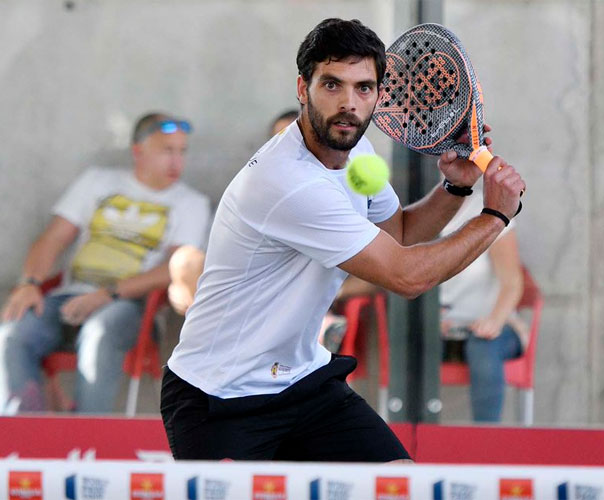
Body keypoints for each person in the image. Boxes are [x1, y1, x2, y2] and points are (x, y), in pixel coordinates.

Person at [160, 18, 525, 462]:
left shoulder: (357, 153)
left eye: (364, 87)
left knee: (401, 484)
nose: (348, 104)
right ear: (303, 87)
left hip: (302, 381)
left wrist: (456, 189)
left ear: (379, 93)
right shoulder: (288, 183)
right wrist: (495, 215)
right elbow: (406, 277)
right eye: (332, 84)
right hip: (220, 396)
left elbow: (399, 238)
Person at [0, 112, 211, 414]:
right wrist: (29, 283)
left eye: (182, 151)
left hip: (131, 306)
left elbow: (173, 269)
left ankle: (85, 440)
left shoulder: (191, 203)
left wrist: (108, 294)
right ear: (138, 152)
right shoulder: (97, 182)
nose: (177, 161)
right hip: (67, 297)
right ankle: (22, 433)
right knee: (11, 334)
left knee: (100, 333)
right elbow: (53, 238)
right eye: (167, 150)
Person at [166, 110, 300, 316]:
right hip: (244, 293)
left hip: (298, 293)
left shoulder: (331, 191)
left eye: (298, 138)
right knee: (186, 260)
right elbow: (216, 257)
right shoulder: (248, 190)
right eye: (280, 139)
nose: (288, 146)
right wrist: (180, 284)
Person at [439, 184, 527, 422]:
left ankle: (485, 444)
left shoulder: (486, 208)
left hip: (488, 326)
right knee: (411, 346)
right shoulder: (411, 209)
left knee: (482, 346)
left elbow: (512, 282)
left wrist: (494, 321)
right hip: (440, 330)